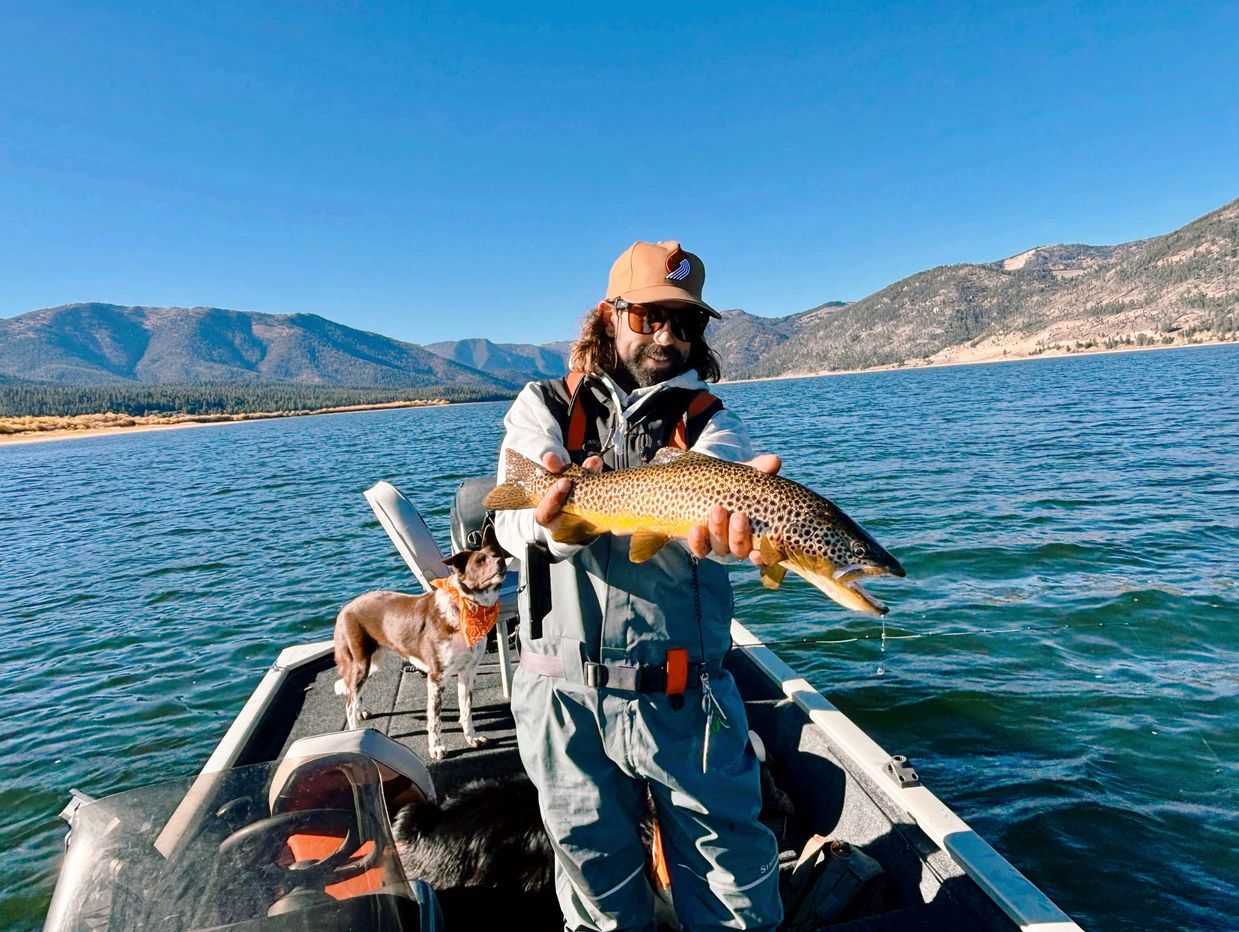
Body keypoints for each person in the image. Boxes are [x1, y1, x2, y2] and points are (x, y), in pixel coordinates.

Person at [492, 240, 784, 931]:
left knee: (734, 891)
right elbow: (508, 526)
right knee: (596, 888)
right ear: (608, 315)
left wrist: (732, 532)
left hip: (687, 696)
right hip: (562, 701)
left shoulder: (711, 421)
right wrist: (554, 522)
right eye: (650, 316)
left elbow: (726, 497)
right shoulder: (541, 406)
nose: (668, 336)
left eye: (686, 322)